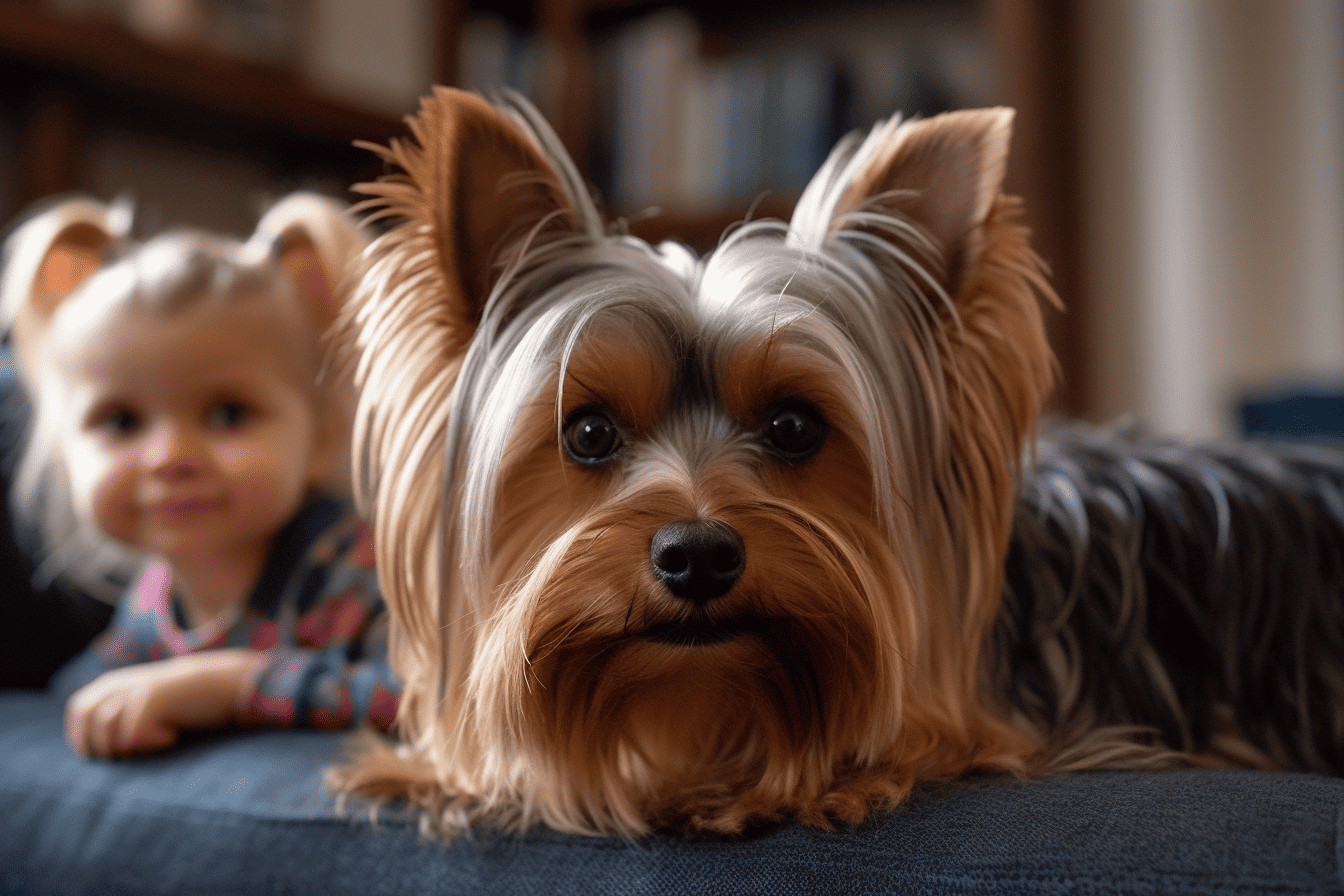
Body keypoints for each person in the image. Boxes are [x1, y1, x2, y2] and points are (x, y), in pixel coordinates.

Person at [0, 193, 398, 758]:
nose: (168, 457)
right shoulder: (153, 600)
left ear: (322, 433)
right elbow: (83, 694)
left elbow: (432, 702)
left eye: (227, 414)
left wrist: (233, 685)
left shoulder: (362, 572)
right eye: (122, 421)